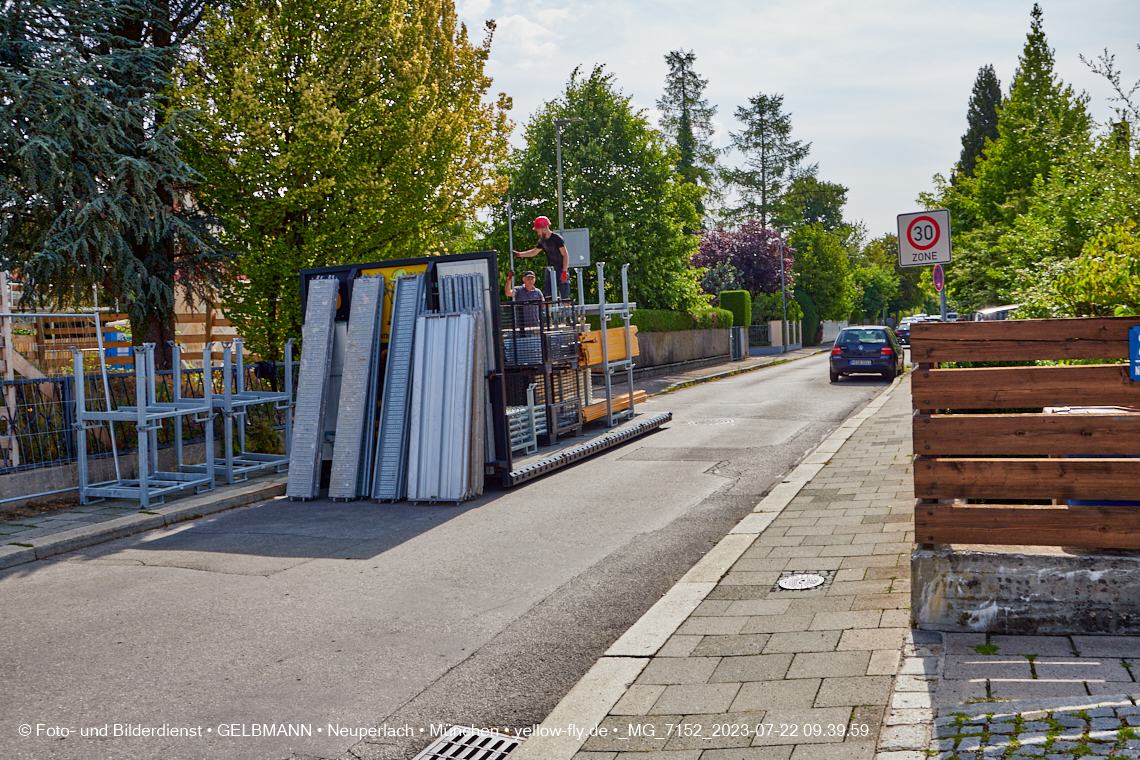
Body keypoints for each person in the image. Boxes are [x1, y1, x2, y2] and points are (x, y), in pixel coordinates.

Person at [514, 216, 570, 300]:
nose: (538, 233)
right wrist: (519, 254)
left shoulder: (557, 239)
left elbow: (565, 255)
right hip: (550, 269)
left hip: (561, 269)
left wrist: (564, 271)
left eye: (538, 230)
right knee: (548, 297)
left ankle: (567, 312)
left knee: (565, 296)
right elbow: (534, 252)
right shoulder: (542, 240)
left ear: (543, 229)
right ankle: (549, 313)